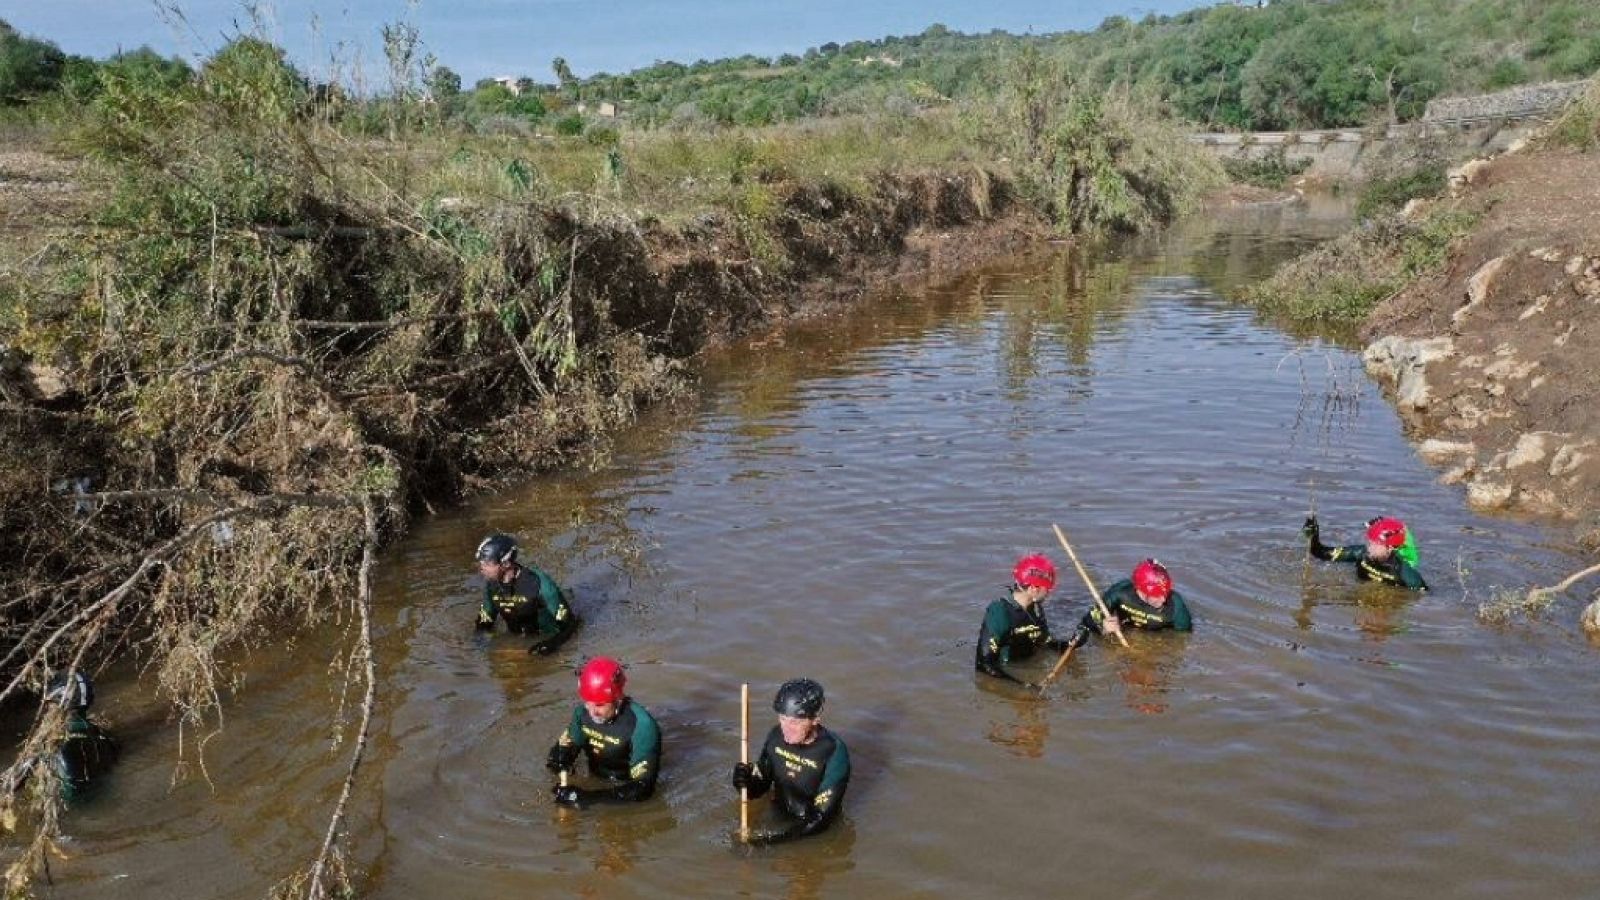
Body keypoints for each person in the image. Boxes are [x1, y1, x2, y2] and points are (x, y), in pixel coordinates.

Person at [731, 679, 850, 846]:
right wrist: (744, 782)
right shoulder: (775, 737)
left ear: (815, 718)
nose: (786, 728)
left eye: (795, 721)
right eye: (782, 718)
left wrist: (768, 842)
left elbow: (821, 819)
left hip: (811, 831)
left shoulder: (834, 752)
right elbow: (759, 787)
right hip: (778, 812)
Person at [546, 656, 661, 808]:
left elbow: (643, 788)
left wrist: (590, 797)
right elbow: (568, 743)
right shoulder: (582, 714)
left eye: (600, 705)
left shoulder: (642, 727)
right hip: (596, 776)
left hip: (624, 784)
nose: (593, 712)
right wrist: (559, 757)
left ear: (617, 698)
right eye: (588, 702)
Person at [3, 671, 120, 804]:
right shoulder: (104, 737)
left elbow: (11, 785)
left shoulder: (48, 744)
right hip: (102, 800)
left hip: (68, 809)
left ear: (55, 702)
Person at [473, 533, 579, 653]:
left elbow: (571, 625)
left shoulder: (540, 585)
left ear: (506, 564)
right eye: (481, 564)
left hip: (546, 636)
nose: (482, 569)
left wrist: (553, 643)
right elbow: (484, 623)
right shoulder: (492, 586)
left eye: (487, 564)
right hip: (519, 639)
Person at [975, 554, 1070, 686]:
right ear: (1033, 589)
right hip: (1008, 668)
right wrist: (1021, 686)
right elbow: (983, 664)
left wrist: (1070, 644)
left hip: (1031, 665)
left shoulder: (1036, 608)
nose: (1049, 592)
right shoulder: (1000, 612)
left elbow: (1044, 641)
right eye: (1047, 589)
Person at [1066, 558, 1193, 647]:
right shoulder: (1120, 593)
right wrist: (1102, 629)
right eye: (1156, 595)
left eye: (1165, 593)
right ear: (1139, 590)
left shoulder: (1176, 606)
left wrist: (1154, 646)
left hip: (1153, 637)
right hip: (1125, 628)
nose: (1163, 599)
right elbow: (1087, 621)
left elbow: (1182, 641)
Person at [1302, 515, 1428, 591]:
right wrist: (1313, 536)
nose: (1369, 546)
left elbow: (1423, 598)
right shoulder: (1360, 553)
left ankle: (1401, 529)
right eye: (1370, 541)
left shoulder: (1406, 575)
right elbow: (1320, 553)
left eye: (1375, 543)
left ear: (1390, 548)